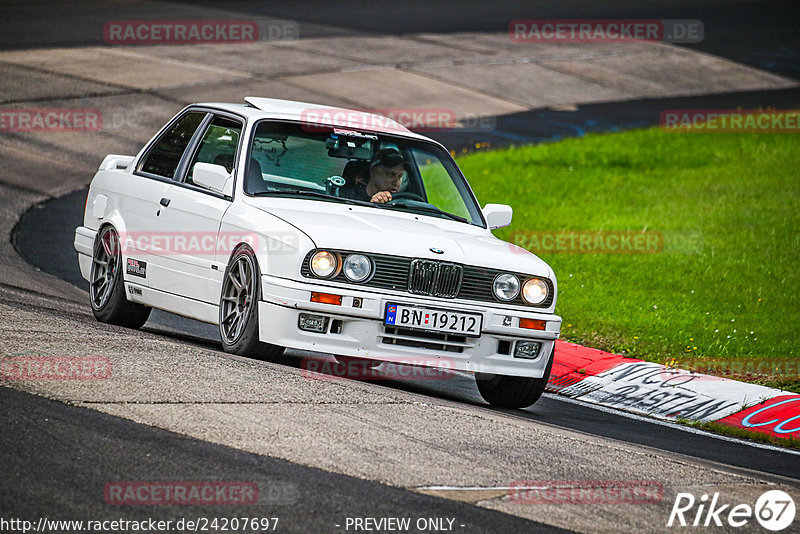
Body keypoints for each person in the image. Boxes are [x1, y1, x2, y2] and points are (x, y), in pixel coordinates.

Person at [341, 148, 406, 203]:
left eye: (400, 176)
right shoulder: (350, 198)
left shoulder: (400, 202)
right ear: (373, 171)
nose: (397, 182)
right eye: (391, 175)